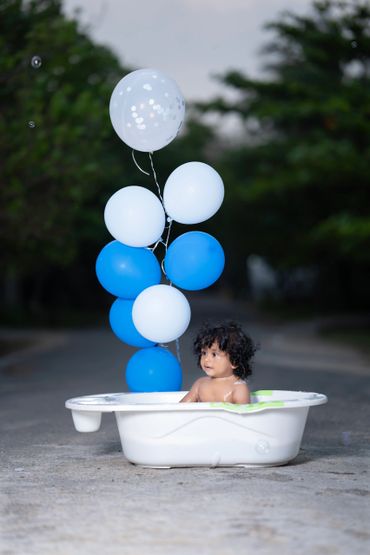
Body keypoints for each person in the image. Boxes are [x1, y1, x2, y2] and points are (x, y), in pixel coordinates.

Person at [180, 321, 258, 404]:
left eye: (214, 354)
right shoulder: (200, 384)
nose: (206, 359)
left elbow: (243, 415)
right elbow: (182, 408)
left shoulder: (238, 388)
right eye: (204, 353)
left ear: (234, 361)